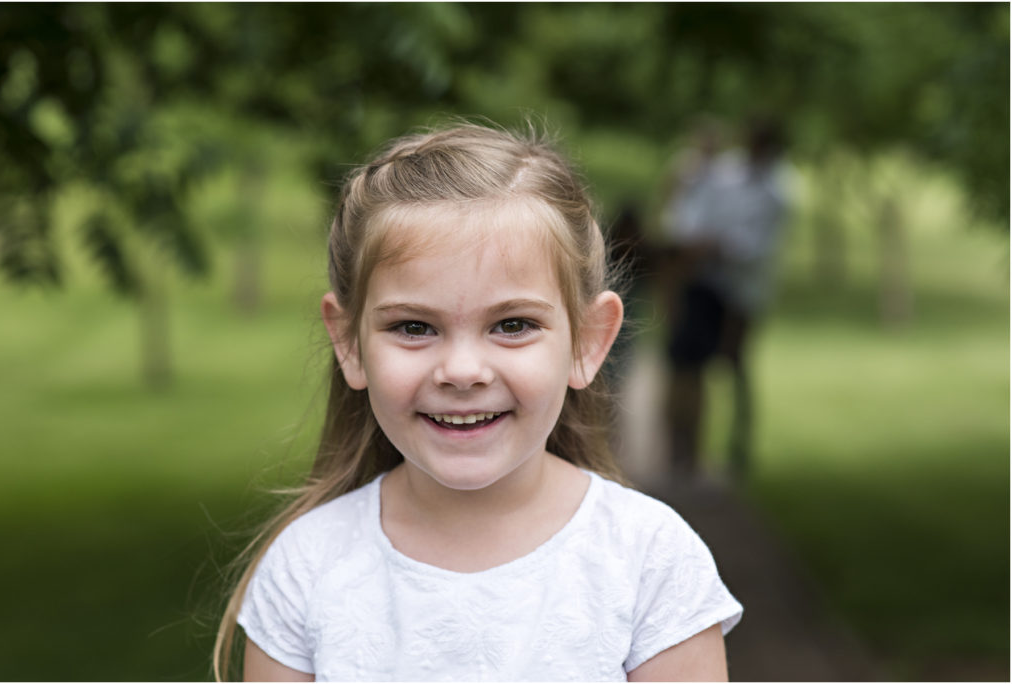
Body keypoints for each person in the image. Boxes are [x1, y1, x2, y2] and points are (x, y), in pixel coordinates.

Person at [214, 122, 743, 681]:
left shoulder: (651, 564)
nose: (462, 371)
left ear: (588, 341)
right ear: (348, 342)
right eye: (414, 326)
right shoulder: (306, 569)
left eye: (512, 324)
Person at [662, 118, 792, 480]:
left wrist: (712, 245)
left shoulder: (779, 192)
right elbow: (695, 194)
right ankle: (688, 450)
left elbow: (755, 247)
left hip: (744, 293)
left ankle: (739, 445)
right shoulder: (731, 171)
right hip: (709, 285)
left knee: (736, 364)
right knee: (694, 364)